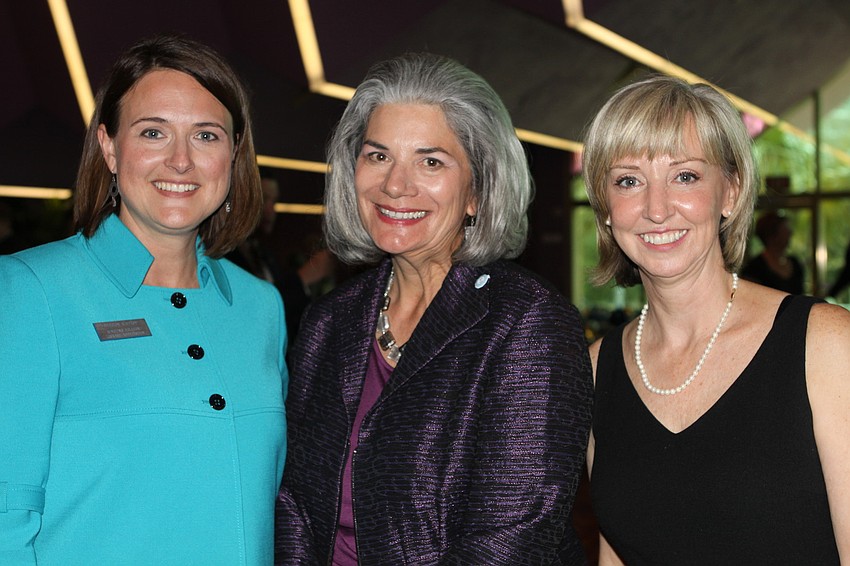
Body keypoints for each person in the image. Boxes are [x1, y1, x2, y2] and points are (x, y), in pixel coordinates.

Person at [275, 52, 593, 565]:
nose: (395, 185)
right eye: (378, 156)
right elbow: (294, 507)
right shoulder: (328, 322)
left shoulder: (529, 324)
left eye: (430, 161)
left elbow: (509, 541)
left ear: (477, 191)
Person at [0, 34, 288, 564]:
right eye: (153, 132)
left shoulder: (261, 308)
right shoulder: (29, 290)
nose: (180, 160)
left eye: (206, 135)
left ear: (234, 153)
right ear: (110, 147)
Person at [582, 75, 850, 564]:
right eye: (628, 180)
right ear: (605, 209)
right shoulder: (596, 370)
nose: (656, 208)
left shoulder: (825, 344)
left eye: (685, 176)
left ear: (730, 192)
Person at [741, 210, 805, 294]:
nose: (790, 234)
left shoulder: (795, 264)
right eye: (784, 231)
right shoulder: (754, 268)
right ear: (772, 235)